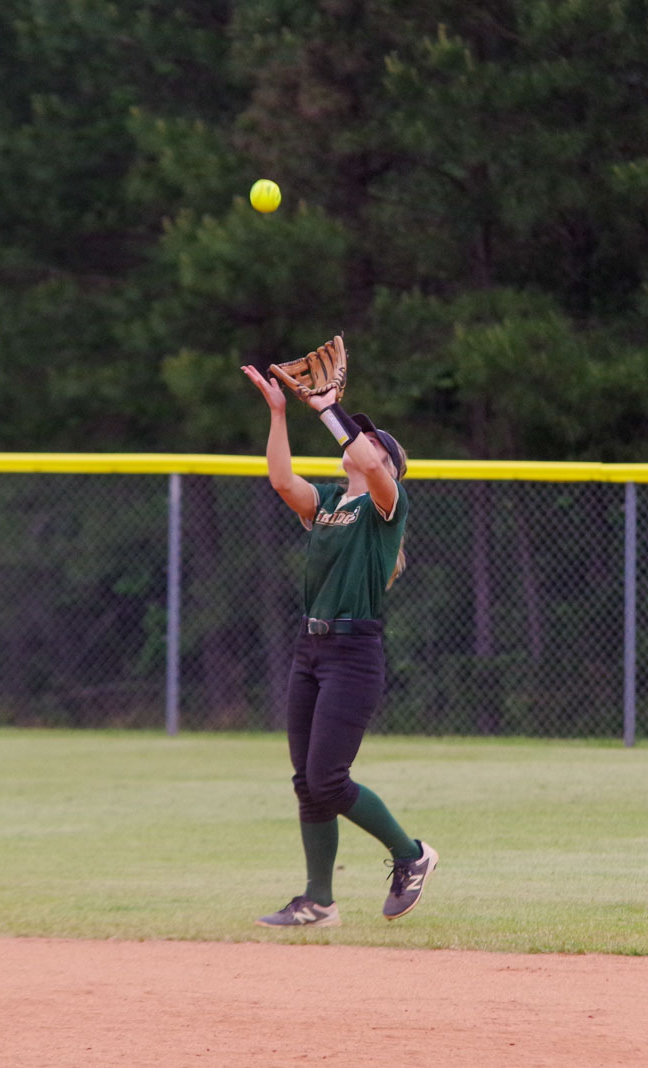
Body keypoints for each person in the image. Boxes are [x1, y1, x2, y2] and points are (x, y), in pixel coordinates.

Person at [241, 337, 438, 926]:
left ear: (387, 464)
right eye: (360, 434)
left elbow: (373, 465)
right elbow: (282, 481)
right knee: (308, 782)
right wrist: (280, 414)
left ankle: (411, 854)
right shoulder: (327, 501)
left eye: (372, 439)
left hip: (353, 653)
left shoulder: (385, 506)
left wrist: (330, 409)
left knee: (328, 779)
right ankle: (318, 900)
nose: (362, 442)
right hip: (311, 649)